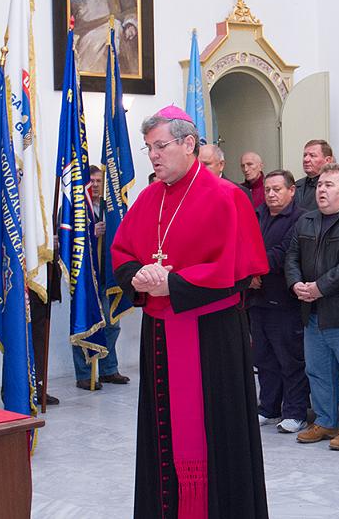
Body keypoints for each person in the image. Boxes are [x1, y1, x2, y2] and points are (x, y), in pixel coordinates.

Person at [111, 105, 269, 517]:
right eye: (148, 148)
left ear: (188, 144)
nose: (153, 156)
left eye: (160, 146)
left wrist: (174, 284)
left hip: (212, 336)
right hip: (160, 336)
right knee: (162, 431)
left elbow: (237, 273)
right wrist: (138, 275)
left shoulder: (227, 196)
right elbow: (123, 252)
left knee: (218, 433)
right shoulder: (148, 198)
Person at [286, 163, 339, 450]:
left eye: (329, 185)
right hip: (312, 313)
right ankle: (325, 421)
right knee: (317, 372)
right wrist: (296, 284)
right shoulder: (306, 220)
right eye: (320, 185)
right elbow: (292, 256)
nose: (321, 190)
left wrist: (318, 288)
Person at [248, 169, 309, 434]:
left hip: (285, 300)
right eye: (268, 190)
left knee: (290, 359)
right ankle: (268, 407)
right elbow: (244, 246)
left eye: (277, 189)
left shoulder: (301, 218)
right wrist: (248, 275)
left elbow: (283, 252)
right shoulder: (257, 213)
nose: (271, 194)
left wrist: (253, 270)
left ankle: (295, 412)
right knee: (263, 357)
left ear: (291, 191)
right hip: (256, 298)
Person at [71, 164, 129, 391]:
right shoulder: (75, 207)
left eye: (98, 181)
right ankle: (85, 374)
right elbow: (67, 240)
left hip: (109, 275)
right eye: (92, 181)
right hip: (85, 278)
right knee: (86, 326)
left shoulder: (109, 207)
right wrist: (91, 233)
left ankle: (108, 369)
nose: (95, 185)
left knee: (112, 324)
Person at [295, 139, 335, 211]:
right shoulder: (296, 185)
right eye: (305, 155)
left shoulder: (336, 186)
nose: (306, 159)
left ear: (327, 160)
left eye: (312, 155)